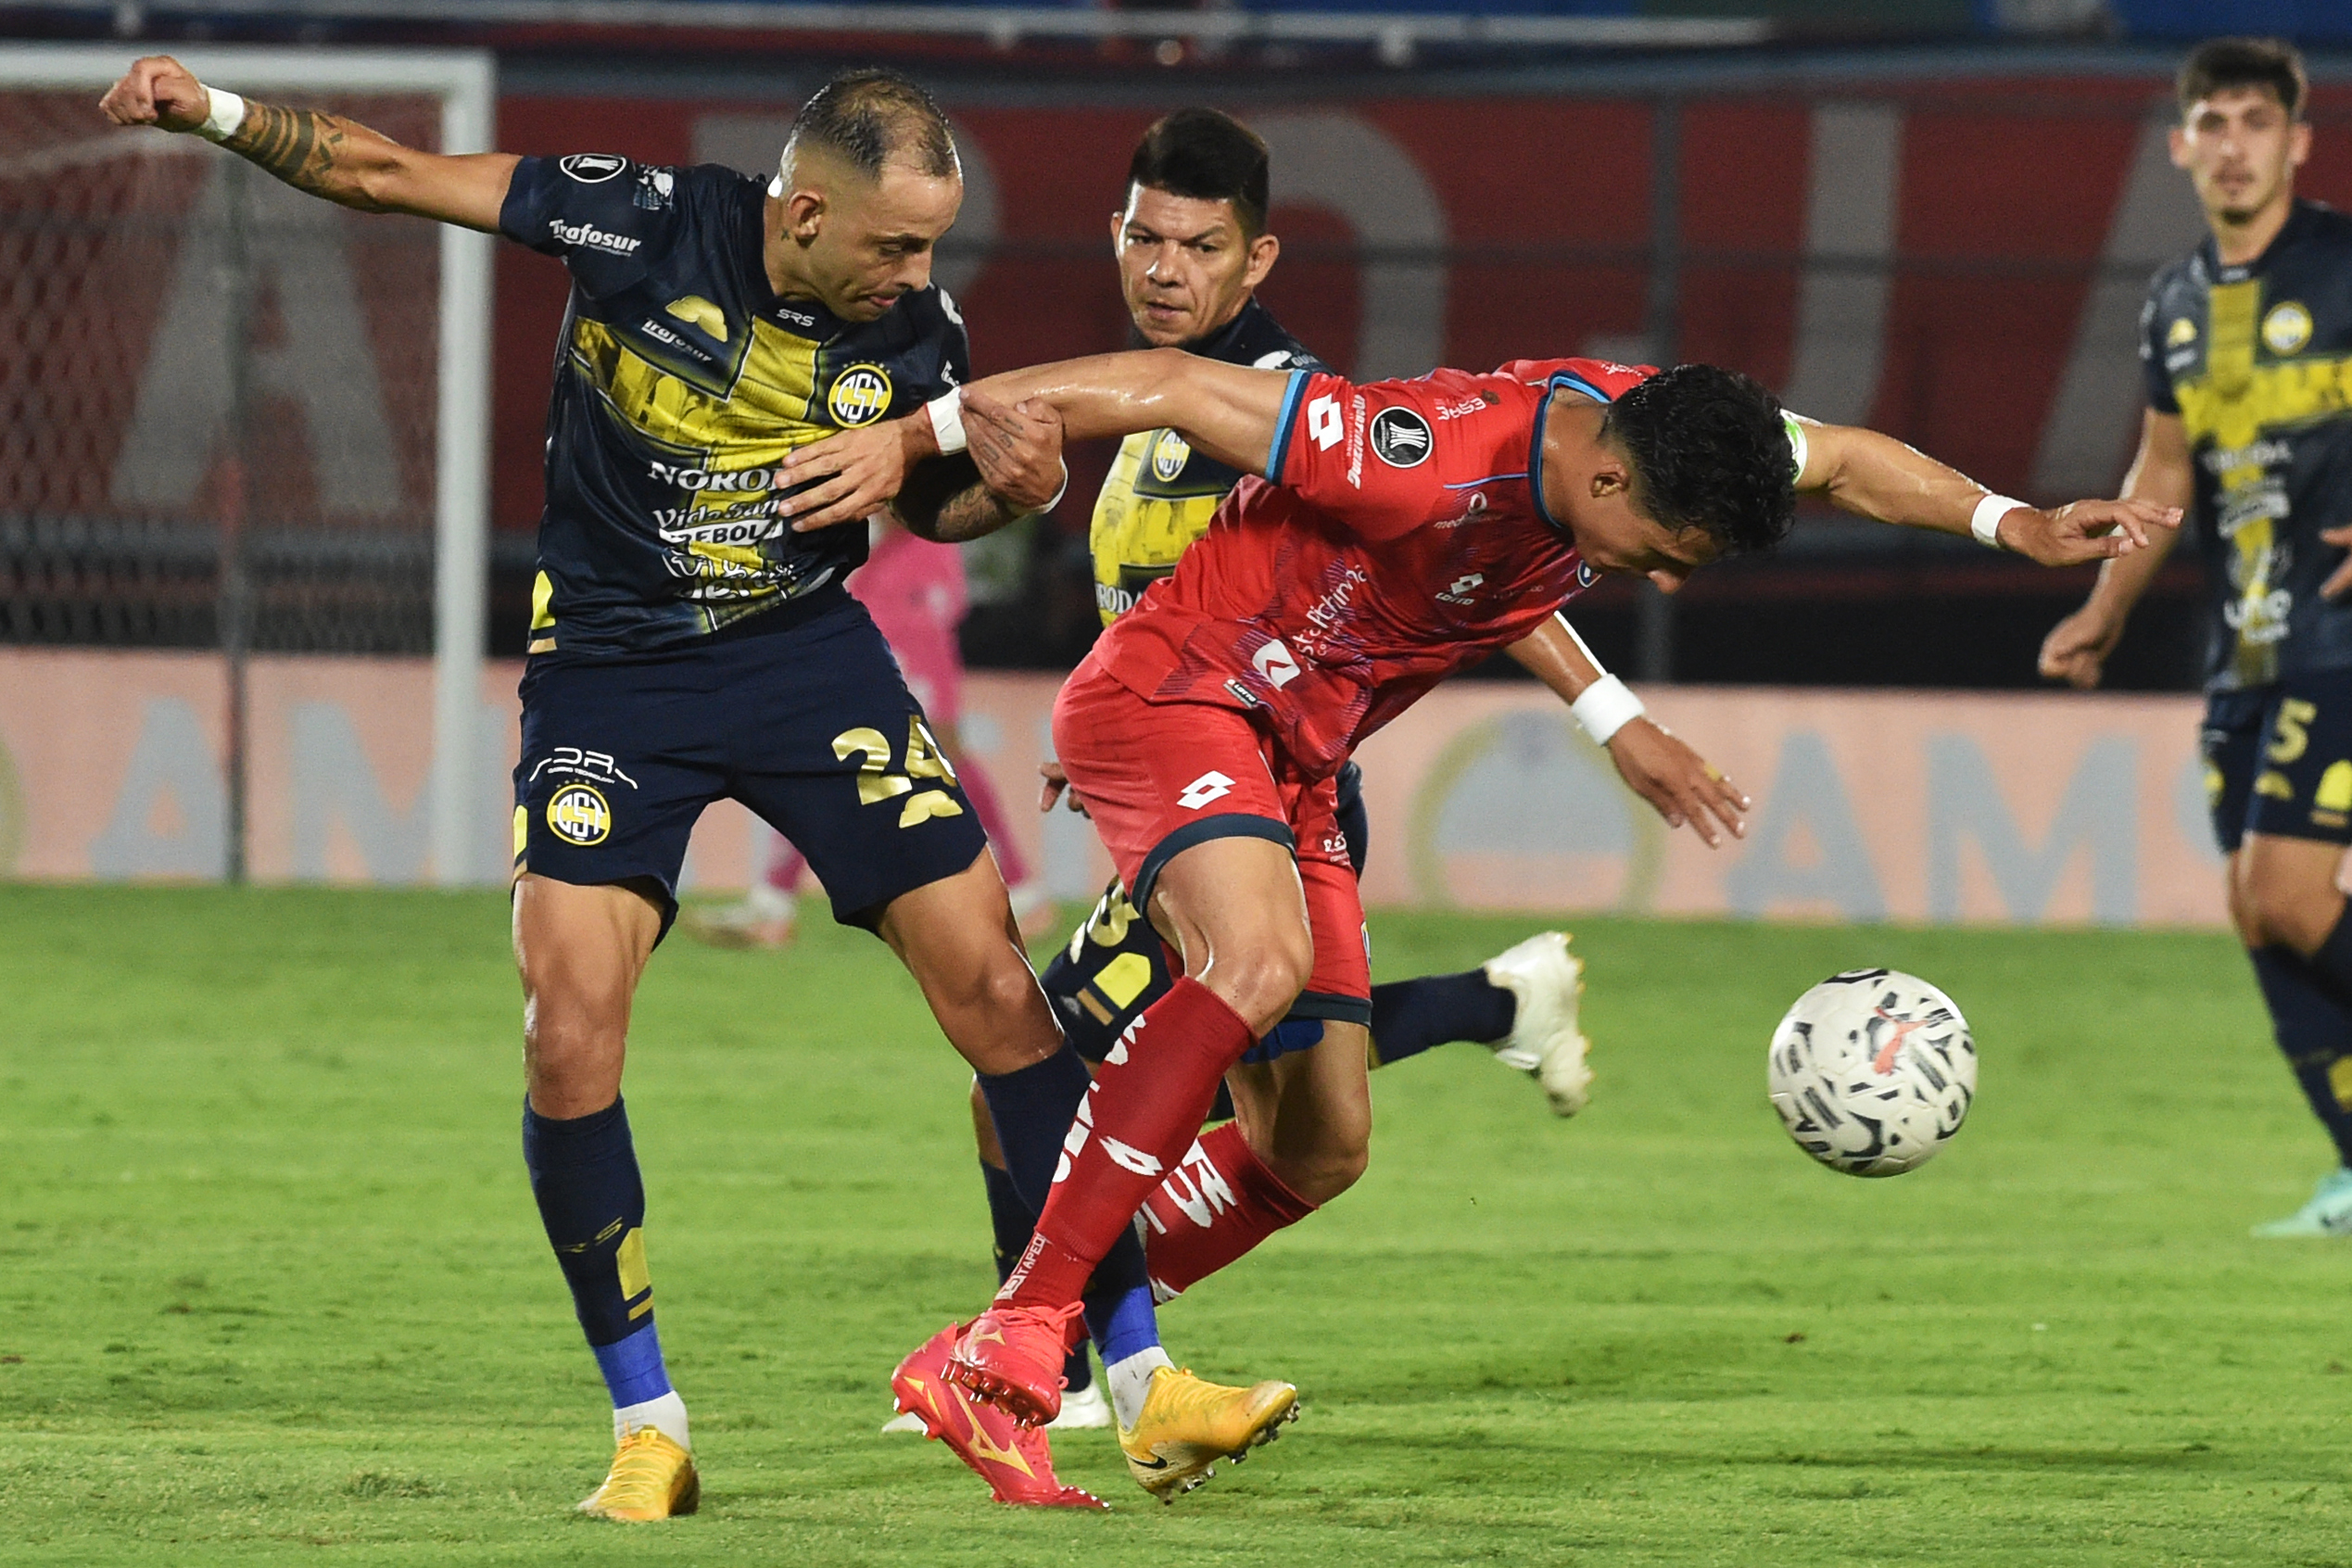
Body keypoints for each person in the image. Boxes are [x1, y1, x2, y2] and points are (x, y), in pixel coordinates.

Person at [780, 335, 2177, 1429]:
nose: (1661, 582)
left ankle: (1014, 1336)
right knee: (1250, 966)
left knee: (1318, 1144)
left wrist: (2011, 522)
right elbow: (1156, 388)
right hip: (1186, 695)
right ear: (1612, 486)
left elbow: (1846, 463)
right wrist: (914, 434)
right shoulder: (1415, 453)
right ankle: (1033, 1323)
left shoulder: (1653, 423)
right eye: (1661, 556)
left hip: (1294, 761)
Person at [98, 57, 1116, 1515]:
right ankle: (649, 1428)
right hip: (611, 678)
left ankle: (1116, 1373)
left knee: (1001, 993)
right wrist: (210, 113)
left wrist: (1003, 496)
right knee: (566, 1031)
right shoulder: (632, 223)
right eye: (896, 241)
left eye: (931, 243)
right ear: (805, 208)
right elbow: (387, 174)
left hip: (805, 664)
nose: (919, 270)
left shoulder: (916, 333)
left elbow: (931, 503)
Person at [899, 107, 1751, 1504]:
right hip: (1194, 744)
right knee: (1238, 1104)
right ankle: (1092, 1368)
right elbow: (1196, 584)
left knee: (1105, 1091)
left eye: (1200, 246)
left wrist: (1608, 713)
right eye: (1143, 237)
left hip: (1259, 759)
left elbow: (1467, 566)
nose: (1165, 268)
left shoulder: (1270, 404)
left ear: (1257, 258)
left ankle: (1050, 1352)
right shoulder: (1157, 395)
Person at [2041, 38, 2352, 1238]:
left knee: (2280, 890)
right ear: (2179, 146)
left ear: (2294, 142)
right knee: (2252, 904)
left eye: (2252, 124)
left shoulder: (2338, 262)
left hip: (2339, 637)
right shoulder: (2173, 302)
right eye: (2209, 124)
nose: (2230, 145)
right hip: (2247, 646)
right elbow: (2164, 466)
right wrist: (2101, 610)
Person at [682, 513, 1056, 950]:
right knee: (823, 745)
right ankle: (772, 903)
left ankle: (1023, 893)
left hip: (912, 598)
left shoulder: (915, 482)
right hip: (877, 592)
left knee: (938, 746)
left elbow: (906, 490)